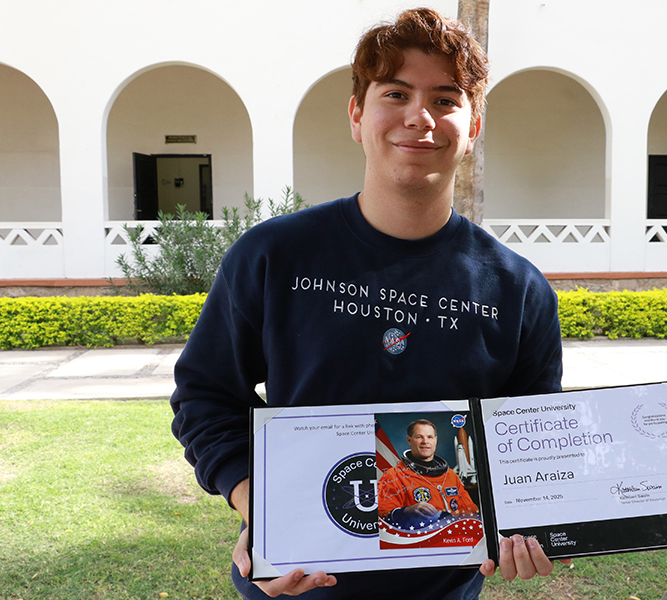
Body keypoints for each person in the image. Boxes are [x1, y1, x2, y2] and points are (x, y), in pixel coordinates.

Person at [170, 7, 566, 599]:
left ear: (473, 126)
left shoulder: (518, 289)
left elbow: (531, 437)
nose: (420, 117)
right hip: (293, 583)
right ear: (358, 115)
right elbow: (205, 395)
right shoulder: (274, 256)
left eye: (446, 98)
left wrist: (528, 518)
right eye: (396, 93)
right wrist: (261, 509)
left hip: (443, 587)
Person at [378, 420, 479, 528]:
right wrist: (406, 512)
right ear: (409, 440)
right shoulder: (394, 476)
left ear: (435, 440)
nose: (425, 441)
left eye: (429, 437)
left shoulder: (450, 475)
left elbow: (472, 512)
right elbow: (381, 515)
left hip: (456, 536)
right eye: (419, 437)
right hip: (420, 540)